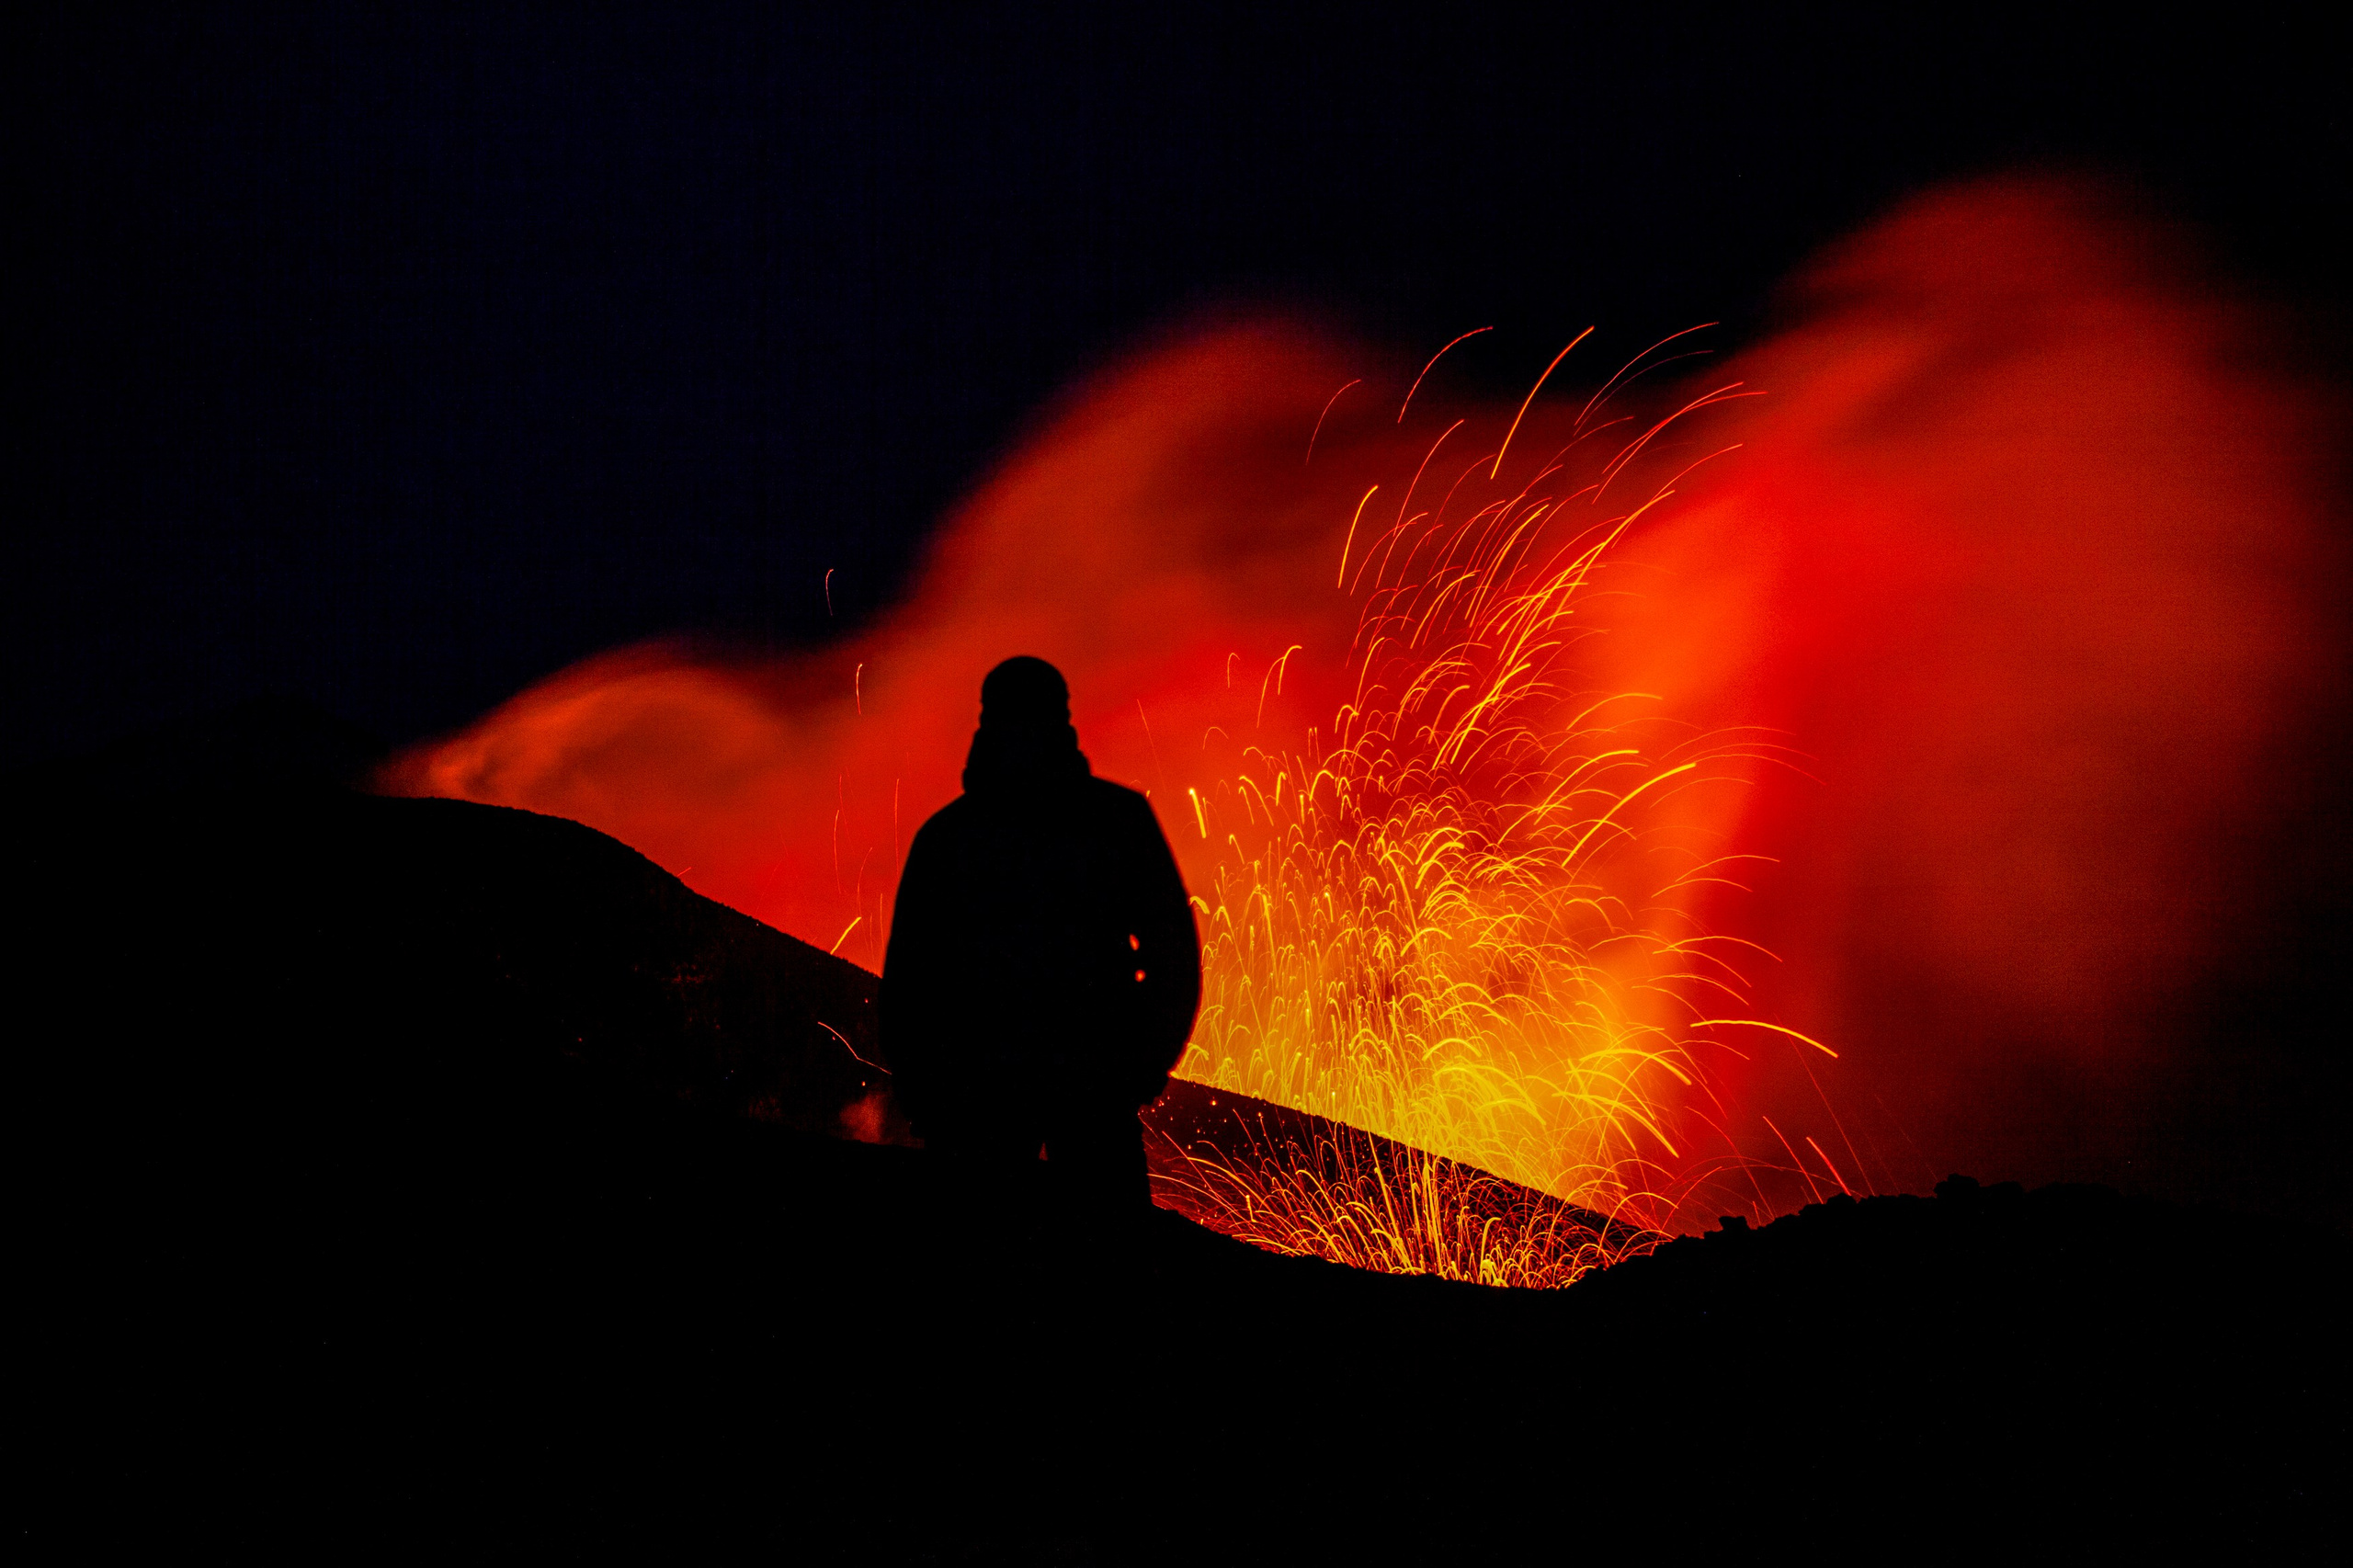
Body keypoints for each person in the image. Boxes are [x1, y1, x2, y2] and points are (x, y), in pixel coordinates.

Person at [881, 656, 1200, 1221]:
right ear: (1065, 722)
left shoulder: (948, 839)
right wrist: (1143, 1064)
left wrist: (925, 1094)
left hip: (989, 1097)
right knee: (1109, 1269)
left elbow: (909, 982)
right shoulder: (1117, 820)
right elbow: (1172, 953)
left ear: (986, 725)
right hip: (1081, 1088)